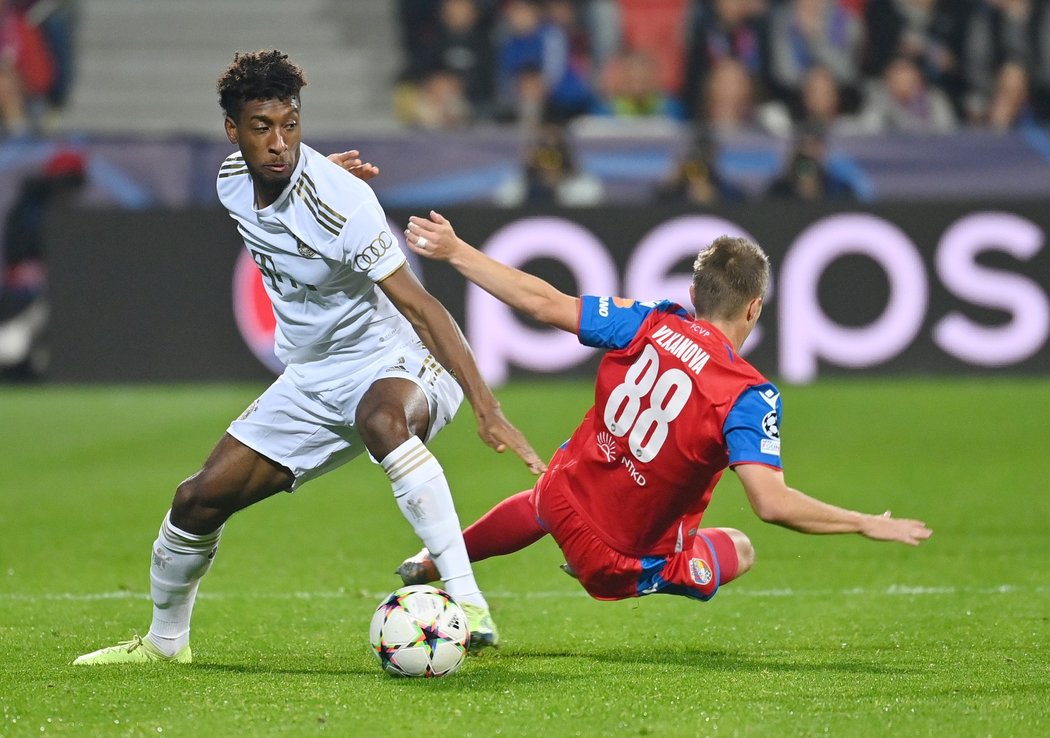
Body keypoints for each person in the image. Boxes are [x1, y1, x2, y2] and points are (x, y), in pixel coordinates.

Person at [72, 49, 545, 666]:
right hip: (311, 375)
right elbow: (283, 186)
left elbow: (425, 310)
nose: (279, 142)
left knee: (383, 421)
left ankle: (468, 602)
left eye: (291, 126)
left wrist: (487, 406)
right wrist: (317, 169)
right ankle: (165, 645)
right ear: (233, 132)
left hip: (390, 358)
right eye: (262, 128)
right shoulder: (229, 183)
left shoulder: (342, 204)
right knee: (196, 501)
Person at [394, 211, 931, 617]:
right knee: (740, 549)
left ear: (694, 292)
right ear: (754, 308)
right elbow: (771, 504)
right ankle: (668, 573)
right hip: (617, 562)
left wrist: (458, 250)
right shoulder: (750, 395)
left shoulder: (650, 322)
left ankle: (437, 557)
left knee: (548, 494)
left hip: (560, 498)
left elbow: (543, 301)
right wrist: (862, 523)